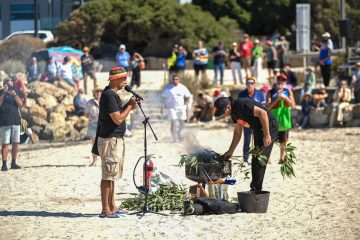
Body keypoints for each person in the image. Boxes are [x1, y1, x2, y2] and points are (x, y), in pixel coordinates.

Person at [92, 66, 137, 218]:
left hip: (115, 140)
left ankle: (112, 206)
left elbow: (117, 114)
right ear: (115, 79)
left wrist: (128, 105)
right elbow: (117, 118)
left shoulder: (113, 94)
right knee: (108, 175)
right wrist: (130, 107)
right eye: (124, 79)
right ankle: (105, 209)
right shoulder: (109, 95)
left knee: (112, 175)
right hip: (110, 141)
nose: (126, 82)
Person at [213, 96, 278, 191]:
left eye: (223, 112)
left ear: (228, 107)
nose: (223, 115)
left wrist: (267, 134)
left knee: (259, 160)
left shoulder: (242, 105)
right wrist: (230, 151)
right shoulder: (234, 114)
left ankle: (256, 190)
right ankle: (256, 188)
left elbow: (263, 113)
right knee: (256, 158)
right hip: (258, 130)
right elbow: (237, 132)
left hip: (269, 126)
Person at [267, 74, 295, 163]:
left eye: (283, 80)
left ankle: (282, 158)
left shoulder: (288, 91)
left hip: (284, 120)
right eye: (279, 79)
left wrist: (284, 97)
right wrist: (277, 99)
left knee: (283, 140)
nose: (280, 81)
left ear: (285, 82)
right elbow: (267, 108)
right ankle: (268, 158)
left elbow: (293, 105)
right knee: (270, 139)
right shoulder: (270, 92)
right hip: (273, 119)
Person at [238, 77, 266, 164]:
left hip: (257, 122)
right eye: (247, 83)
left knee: (258, 140)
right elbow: (239, 109)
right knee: (247, 140)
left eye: (251, 83)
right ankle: (245, 159)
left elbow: (263, 108)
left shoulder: (260, 94)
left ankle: (257, 158)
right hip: (246, 121)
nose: (249, 85)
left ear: (254, 85)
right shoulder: (242, 94)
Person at [0, 80, 23, 171]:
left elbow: (21, 104)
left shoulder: (15, 91)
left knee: (16, 143)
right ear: (4, 85)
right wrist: (4, 93)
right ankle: (4, 164)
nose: (9, 86)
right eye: (7, 85)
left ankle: (13, 163)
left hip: (16, 121)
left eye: (10, 84)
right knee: (5, 144)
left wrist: (14, 95)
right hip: (4, 122)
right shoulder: (1, 92)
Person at [161, 75, 191, 142]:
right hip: (171, 107)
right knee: (174, 122)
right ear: (172, 80)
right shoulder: (168, 88)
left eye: (176, 79)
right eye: (174, 79)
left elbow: (188, 96)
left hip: (181, 107)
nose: (175, 81)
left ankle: (179, 133)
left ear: (179, 80)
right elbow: (163, 97)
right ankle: (174, 138)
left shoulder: (183, 87)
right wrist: (162, 107)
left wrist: (186, 104)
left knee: (182, 123)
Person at [85, 85, 102, 166]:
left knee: (103, 143)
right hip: (93, 125)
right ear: (94, 93)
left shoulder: (106, 101)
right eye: (97, 91)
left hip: (103, 125)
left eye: (100, 91)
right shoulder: (89, 102)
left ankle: (103, 161)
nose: (99, 93)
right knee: (94, 143)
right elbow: (86, 114)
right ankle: (94, 161)